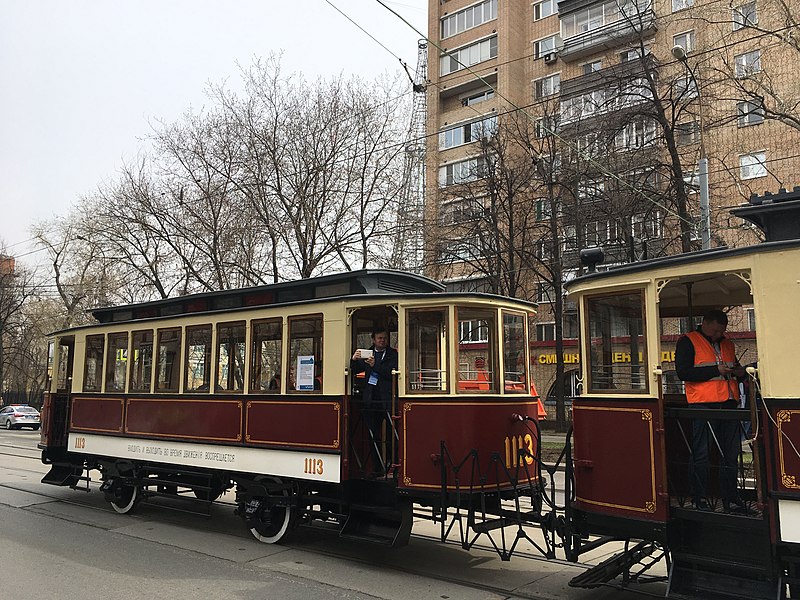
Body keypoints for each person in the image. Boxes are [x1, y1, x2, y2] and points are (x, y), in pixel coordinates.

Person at [676, 309, 747, 512]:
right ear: (705, 323)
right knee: (701, 453)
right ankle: (700, 499)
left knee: (731, 454)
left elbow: (734, 368)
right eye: (715, 330)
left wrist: (740, 373)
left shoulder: (727, 343)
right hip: (703, 404)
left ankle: (731, 499)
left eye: (721, 331)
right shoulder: (688, 341)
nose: (718, 335)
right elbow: (683, 372)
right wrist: (716, 371)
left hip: (729, 403)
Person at [351, 328, 398, 475]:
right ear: (373, 339)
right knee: (373, 435)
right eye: (379, 338)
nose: (382, 340)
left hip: (387, 399)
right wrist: (354, 359)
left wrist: (375, 365)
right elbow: (355, 370)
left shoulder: (392, 354)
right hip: (371, 400)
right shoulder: (368, 354)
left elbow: (391, 373)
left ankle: (393, 466)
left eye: (384, 338)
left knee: (392, 436)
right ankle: (376, 468)